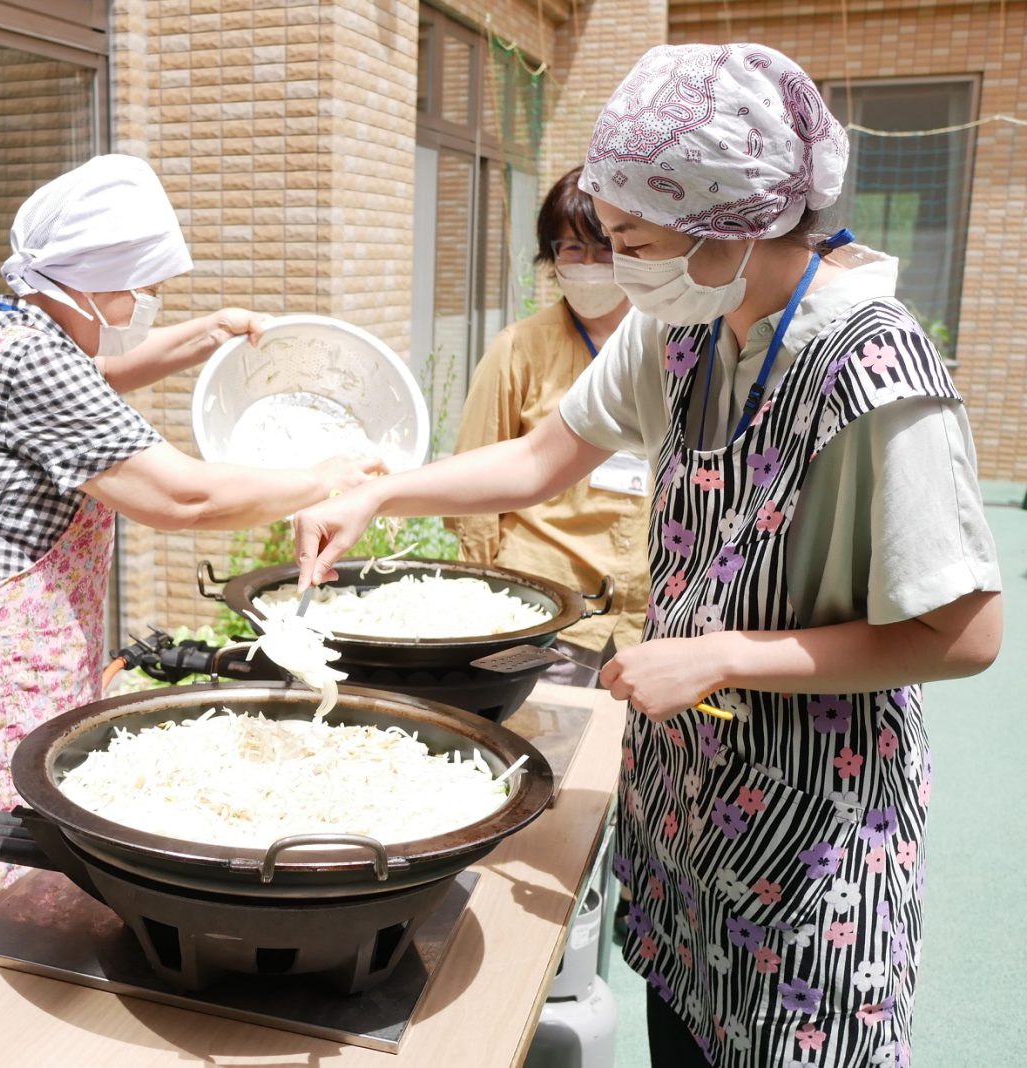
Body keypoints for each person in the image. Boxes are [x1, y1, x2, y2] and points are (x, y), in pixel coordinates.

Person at [292, 44, 1002, 1066]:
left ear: (732, 221)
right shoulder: (687, 324)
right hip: (683, 807)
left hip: (808, 839)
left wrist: (724, 655)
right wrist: (381, 489)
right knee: (679, 1024)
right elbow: (544, 456)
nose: (617, 265)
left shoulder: (874, 368)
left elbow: (966, 632)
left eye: (630, 238)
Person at [0, 154, 383, 969]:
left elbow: (96, 373)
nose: (146, 304)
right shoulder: (31, 362)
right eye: (139, 287)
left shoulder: (2, 325)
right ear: (92, 284)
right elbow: (183, 500)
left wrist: (205, 334)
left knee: (6, 868)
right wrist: (326, 477)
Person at [450, 166, 649, 687]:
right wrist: (480, 601)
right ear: (551, 257)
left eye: (604, 248)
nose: (588, 264)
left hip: (651, 614)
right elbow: (473, 488)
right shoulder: (519, 348)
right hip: (544, 605)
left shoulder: (673, 346)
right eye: (571, 249)